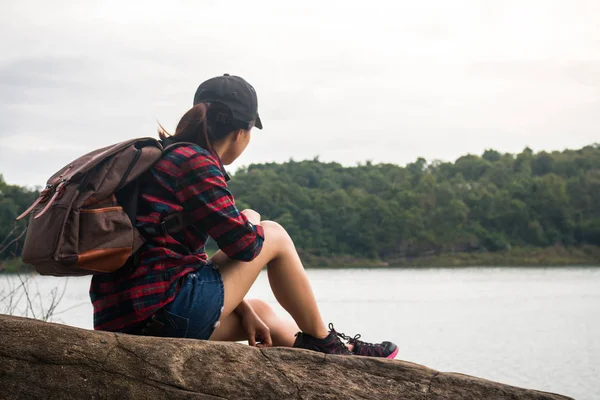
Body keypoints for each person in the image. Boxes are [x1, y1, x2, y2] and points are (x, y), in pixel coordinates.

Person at [90, 74, 398, 359]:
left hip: (125, 318)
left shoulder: (162, 157)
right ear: (241, 132)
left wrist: (243, 306)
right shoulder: (196, 162)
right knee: (272, 233)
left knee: (262, 313)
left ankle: (334, 355)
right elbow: (246, 247)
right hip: (160, 313)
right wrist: (250, 218)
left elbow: (177, 258)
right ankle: (326, 343)